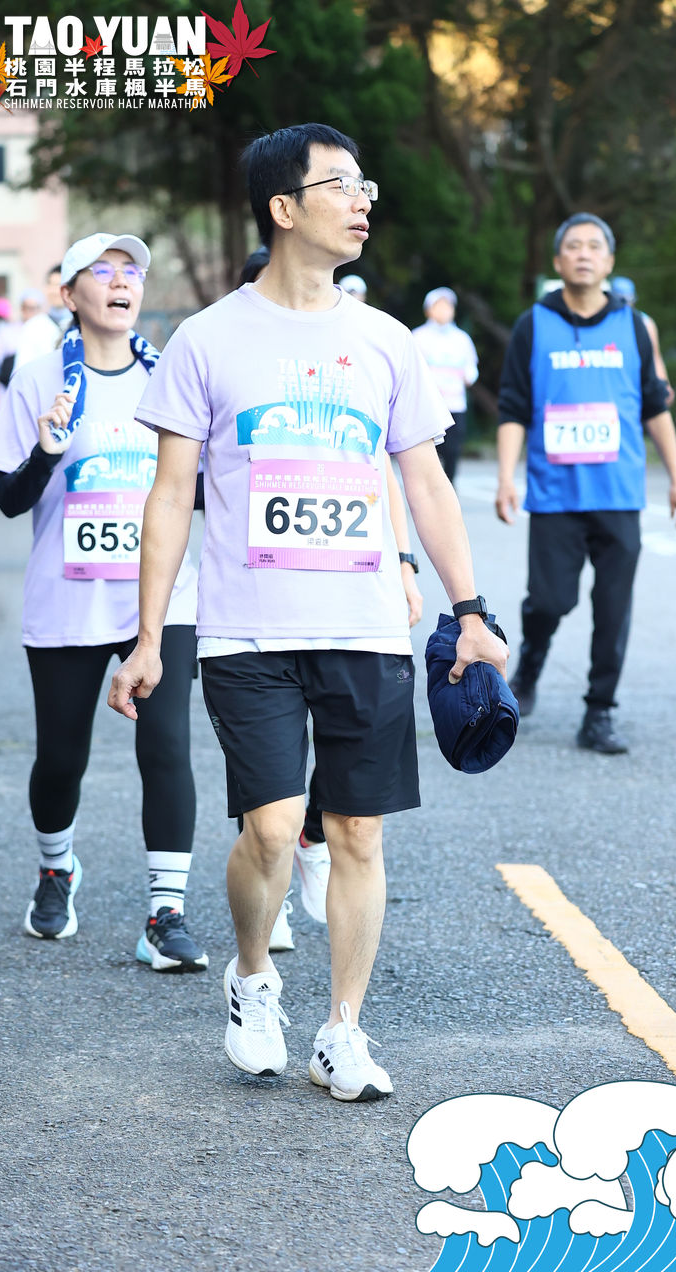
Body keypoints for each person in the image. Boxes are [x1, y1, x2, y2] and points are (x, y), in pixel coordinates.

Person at [108, 122, 507, 1102]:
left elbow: (425, 484)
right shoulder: (208, 340)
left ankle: (342, 1028)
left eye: (365, 184)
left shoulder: (386, 341)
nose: (363, 200)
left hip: (363, 626)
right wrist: (150, 635)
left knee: (357, 832)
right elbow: (169, 495)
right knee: (274, 827)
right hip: (246, 630)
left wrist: (469, 608)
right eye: (341, 184)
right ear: (283, 208)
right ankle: (252, 977)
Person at [0, 232, 208, 972]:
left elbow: (202, 490)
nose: (120, 282)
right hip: (67, 598)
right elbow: (7, 501)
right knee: (60, 758)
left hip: (160, 600)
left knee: (166, 747)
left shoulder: (171, 377)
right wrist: (47, 451)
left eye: (130, 271)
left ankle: (165, 913)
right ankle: (56, 869)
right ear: (69, 293)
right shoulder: (38, 378)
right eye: (101, 271)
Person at [232, 246, 424, 956]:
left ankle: (312, 840)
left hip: (351, 603)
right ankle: (275, 884)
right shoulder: (230, 351)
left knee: (343, 799)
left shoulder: (366, 349)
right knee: (267, 808)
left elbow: (385, 474)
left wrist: (404, 564)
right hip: (262, 611)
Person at [495, 212, 676, 754]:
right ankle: (531, 664)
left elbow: (655, 407)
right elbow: (513, 407)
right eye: (573, 246)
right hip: (554, 496)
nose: (584, 254)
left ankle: (599, 711)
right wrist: (507, 477)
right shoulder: (533, 324)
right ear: (558, 261)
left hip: (618, 494)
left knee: (613, 609)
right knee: (548, 601)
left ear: (609, 261)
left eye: (594, 246)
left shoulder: (633, 325)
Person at [412, 287, 478, 483]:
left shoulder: (462, 339)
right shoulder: (418, 337)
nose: (444, 310)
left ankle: (450, 487)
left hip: (455, 404)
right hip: (429, 406)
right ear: (428, 310)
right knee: (428, 451)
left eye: (448, 306)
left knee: (453, 451)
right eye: (439, 305)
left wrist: (468, 376)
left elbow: (471, 368)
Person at [611, 276, 675, 407]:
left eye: (628, 300)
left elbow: (655, 357)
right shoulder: (605, 323)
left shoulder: (645, 322)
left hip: (638, 380)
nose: (625, 305)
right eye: (621, 300)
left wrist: (664, 384)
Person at [13, 286, 62, 374]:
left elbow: (20, 366)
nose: (29, 312)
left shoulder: (32, 326)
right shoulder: (50, 325)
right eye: (27, 308)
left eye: (33, 308)